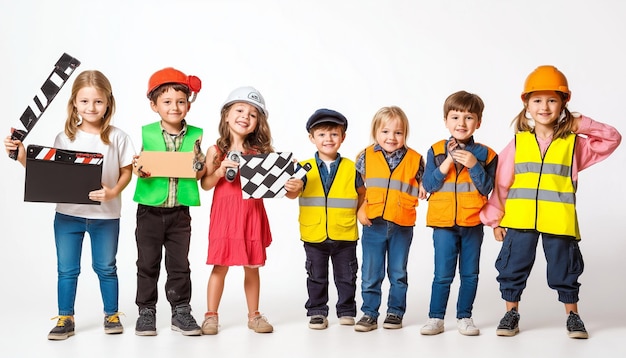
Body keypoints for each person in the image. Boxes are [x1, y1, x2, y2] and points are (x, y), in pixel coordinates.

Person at [480, 65, 621, 339]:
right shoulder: (518, 144)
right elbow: (501, 183)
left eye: (552, 100)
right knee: (513, 266)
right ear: (527, 105)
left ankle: (573, 316)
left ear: (564, 103)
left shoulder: (574, 144)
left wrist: (581, 124)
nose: (544, 107)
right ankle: (511, 313)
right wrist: (495, 219)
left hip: (559, 221)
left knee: (564, 269)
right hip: (519, 220)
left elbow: (612, 138)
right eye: (537, 100)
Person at [4, 70, 135, 340]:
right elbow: (48, 173)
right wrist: (20, 155)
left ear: (108, 102)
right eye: (85, 101)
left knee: (106, 267)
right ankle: (66, 317)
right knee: (67, 269)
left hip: (106, 216)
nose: (91, 107)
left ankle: (111, 314)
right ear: (74, 102)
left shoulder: (118, 137)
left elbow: (126, 172)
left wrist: (113, 193)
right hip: (68, 216)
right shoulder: (65, 138)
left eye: (98, 101)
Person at [200, 86, 299, 334]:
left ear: (257, 124)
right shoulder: (215, 150)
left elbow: (287, 192)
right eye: (240, 110)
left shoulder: (262, 154)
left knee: (252, 266)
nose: (245, 116)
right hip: (225, 216)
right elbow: (205, 184)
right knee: (219, 266)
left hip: (251, 215)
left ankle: (254, 315)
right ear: (226, 115)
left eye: (253, 114)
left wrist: (293, 181)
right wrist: (220, 170)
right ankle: (211, 315)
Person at [132, 67, 207, 336]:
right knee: (147, 262)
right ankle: (146, 311)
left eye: (180, 101)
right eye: (167, 101)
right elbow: (137, 165)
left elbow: (199, 172)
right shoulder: (147, 133)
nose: (174, 107)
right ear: (154, 105)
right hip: (149, 211)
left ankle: (181, 310)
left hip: (180, 212)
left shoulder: (196, 135)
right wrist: (137, 168)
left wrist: (202, 164)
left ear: (188, 104)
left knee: (179, 264)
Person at [419, 91, 497, 336]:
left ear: (478, 122)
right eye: (455, 117)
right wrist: (446, 164)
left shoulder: (487, 155)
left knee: (470, 274)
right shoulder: (434, 150)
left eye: (468, 118)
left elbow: (487, 188)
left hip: (472, 222)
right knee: (442, 274)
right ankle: (436, 318)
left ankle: (465, 316)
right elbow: (429, 185)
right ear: (445, 120)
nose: (461, 124)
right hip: (443, 223)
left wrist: (474, 165)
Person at [286, 108, 365, 330]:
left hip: (345, 233)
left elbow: (362, 193)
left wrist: (361, 212)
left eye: (334, 134)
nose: (328, 139)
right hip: (314, 234)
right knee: (316, 276)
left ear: (343, 137)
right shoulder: (302, 167)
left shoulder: (353, 167)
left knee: (347, 276)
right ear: (312, 138)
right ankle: (317, 311)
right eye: (321, 134)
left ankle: (347, 310)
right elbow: (292, 194)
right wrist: (291, 185)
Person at [354, 106, 427, 332]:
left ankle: (395, 312)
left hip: (402, 223)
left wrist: (424, 186)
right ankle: (369, 313)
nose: (391, 137)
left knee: (398, 272)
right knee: (370, 272)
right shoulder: (365, 157)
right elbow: (360, 189)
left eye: (398, 132)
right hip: (373, 223)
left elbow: (424, 182)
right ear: (375, 132)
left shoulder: (415, 159)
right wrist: (360, 209)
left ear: (405, 134)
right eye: (385, 131)